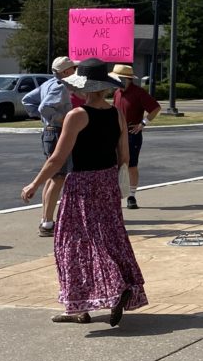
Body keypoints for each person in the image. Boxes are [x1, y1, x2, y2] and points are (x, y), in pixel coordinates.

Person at [21, 58, 147, 325]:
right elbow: (124, 157)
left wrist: (35, 184)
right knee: (109, 238)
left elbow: (57, 158)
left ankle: (103, 294)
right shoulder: (117, 114)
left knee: (72, 243)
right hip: (107, 181)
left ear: (82, 87)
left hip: (82, 185)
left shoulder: (77, 115)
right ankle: (95, 300)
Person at [22, 56, 77, 236]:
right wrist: (58, 119)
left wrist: (45, 120)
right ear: (66, 71)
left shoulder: (48, 84)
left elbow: (27, 100)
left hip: (50, 132)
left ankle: (45, 219)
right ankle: (47, 223)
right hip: (57, 132)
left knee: (52, 176)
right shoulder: (61, 86)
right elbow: (44, 107)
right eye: (73, 68)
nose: (75, 71)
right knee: (58, 177)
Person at [109, 64, 161, 210]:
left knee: (131, 165)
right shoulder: (117, 93)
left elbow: (155, 108)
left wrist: (143, 123)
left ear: (126, 79)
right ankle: (115, 194)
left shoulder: (138, 92)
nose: (115, 81)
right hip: (116, 133)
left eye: (118, 78)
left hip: (132, 134)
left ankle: (131, 196)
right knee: (115, 165)